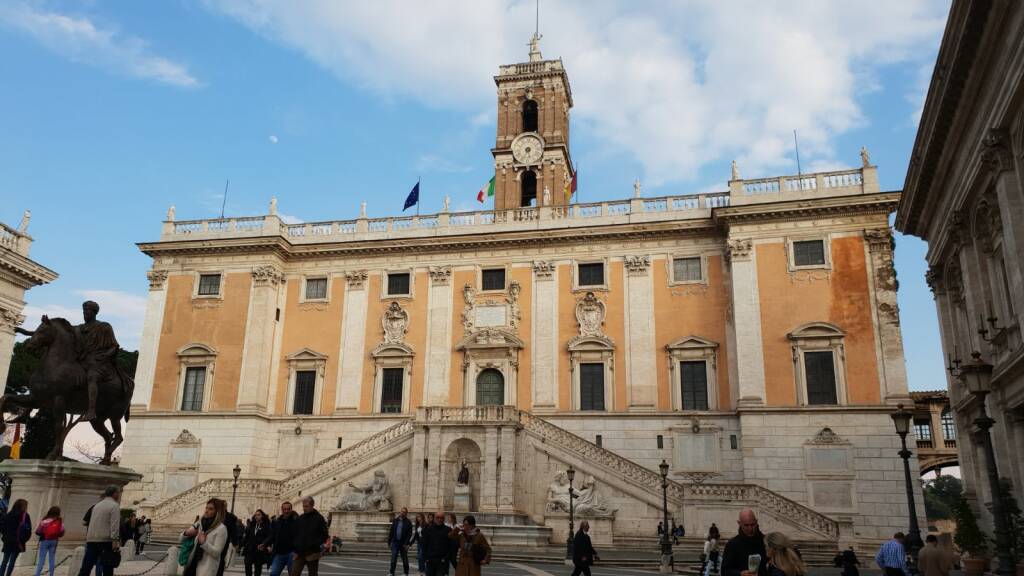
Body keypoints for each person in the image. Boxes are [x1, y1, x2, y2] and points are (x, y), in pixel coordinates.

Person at [78, 486, 122, 576]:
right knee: (107, 568)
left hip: (92, 540)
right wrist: (115, 542)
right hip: (105, 541)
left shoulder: (97, 505)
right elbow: (114, 525)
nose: (119, 495)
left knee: (86, 567)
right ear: (114, 494)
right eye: (118, 493)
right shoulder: (114, 506)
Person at [182, 499, 229, 576]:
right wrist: (186, 533)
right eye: (206, 508)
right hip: (191, 564)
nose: (206, 511)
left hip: (206, 569)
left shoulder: (221, 529)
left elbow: (217, 553)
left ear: (217, 512)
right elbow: (181, 539)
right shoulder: (200, 523)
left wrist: (204, 543)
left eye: (211, 509)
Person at [290, 496, 329, 576]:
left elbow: (324, 534)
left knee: (312, 573)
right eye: (303, 506)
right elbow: (295, 533)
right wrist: (295, 546)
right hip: (299, 552)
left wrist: (315, 544)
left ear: (312, 505)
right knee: (294, 573)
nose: (304, 508)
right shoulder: (300, 518)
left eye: (306, 506)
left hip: (312, 552)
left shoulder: (319, 518)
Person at [721, 509, 768, 576]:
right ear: (739, 523)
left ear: (756, 522)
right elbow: (725, 571)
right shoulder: (732, 545)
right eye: (746, 525)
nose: (750, 529)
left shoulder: (766, 542)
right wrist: (739, 574)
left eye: (753, 525)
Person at [263, 502, 298, 576]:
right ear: (282, 510)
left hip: (291, 553)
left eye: (288, 509)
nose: (286, 511)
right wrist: (264, 544)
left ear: (291, 509)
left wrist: (297, 551)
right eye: (284, 509)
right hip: (279, 553)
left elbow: (300, 536)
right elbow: (272, 535)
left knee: (293, 574)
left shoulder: (296, 521)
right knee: (273, 573)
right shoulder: (277, 521)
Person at [1, 499, 30, 576]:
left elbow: (3, 528)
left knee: (5, 560)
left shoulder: (9, 515)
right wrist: (24, 539)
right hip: (18, 541)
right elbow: (28, 530)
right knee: (12, 561)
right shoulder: (25, 516)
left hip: (8, 541)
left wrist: (4, 537)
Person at [34, 506, 64, 576]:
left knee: (41, 559)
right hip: (54, 541)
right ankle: (51, 574)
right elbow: (62, 532)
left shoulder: (44, 521)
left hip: (44, 540)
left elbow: (38, 531)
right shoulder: (60, 522)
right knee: (52, 559)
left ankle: (37, 574)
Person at [242, 510, 270, 576]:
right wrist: (243, 544)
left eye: (258, 515)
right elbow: (247, 536)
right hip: (250, 549)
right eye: (256, 515)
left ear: (262, 516)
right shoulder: (252, 525)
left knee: (258, 568)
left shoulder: (266, 526)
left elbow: (269, 536)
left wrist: (265, 544)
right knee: (247, 565)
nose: (256, 516)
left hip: (259, 550)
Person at [387, 507, 414, 576]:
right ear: (400, 512)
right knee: (393, 558)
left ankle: (406, 572)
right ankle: (391, 572)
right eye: (402, 511)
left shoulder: (408, 522)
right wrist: (389, 542)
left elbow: (409, 534)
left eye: (404, 512)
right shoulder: (395, 520)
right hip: (395, 542)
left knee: (404, 559)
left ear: (406, 513)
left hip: (403, 543)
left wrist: (406, 543)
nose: (403, 513)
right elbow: (392, 531)